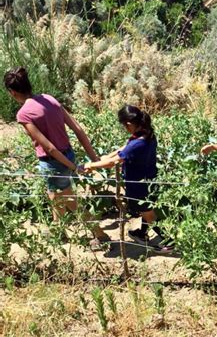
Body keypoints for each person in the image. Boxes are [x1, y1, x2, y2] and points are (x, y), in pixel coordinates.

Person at [4, 67, 107, 244]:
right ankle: (58, 231)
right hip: (68, 154)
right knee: (55, 197)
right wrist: (94, 158)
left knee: (70, 201)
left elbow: (50, 148)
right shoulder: (49, 99)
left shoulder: (23, 114)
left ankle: (100, 235)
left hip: (54, 162)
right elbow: (78, 129)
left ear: (12, 92)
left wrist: (74, 168)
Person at [82, 105, 171, 252]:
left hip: (138, 185)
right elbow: (123, 149)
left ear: (129, 124)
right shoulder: (147, 134)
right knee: (146, 210)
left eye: (124, 126)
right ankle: (141, 234)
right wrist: (103, 158)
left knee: (149, 215)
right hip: (149, 179)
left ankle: (169, 241)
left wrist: (92, 164)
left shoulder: (138, 143)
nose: (125, 129)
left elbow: (113, 163)